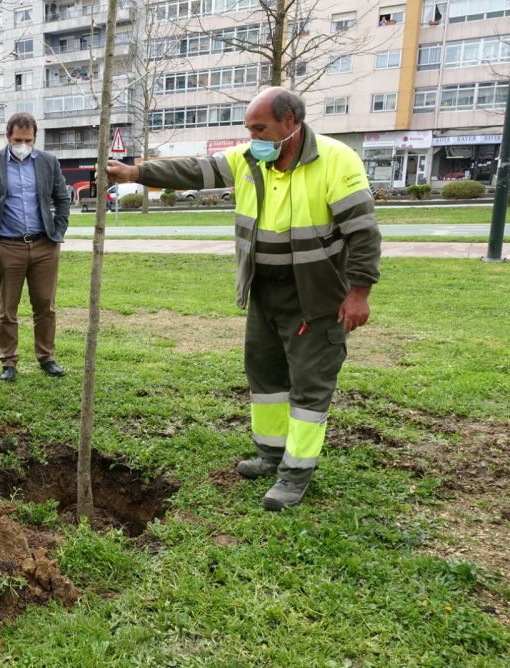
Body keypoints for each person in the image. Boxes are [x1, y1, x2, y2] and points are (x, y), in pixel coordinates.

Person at [106, 87, 382, 511]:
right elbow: (194, 170)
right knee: (265, 375)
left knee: (310, 384)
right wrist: (135, 173)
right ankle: (271, 455)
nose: (251, 136)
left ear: (290, 123)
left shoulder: (336, 159)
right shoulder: (250, 158)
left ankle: (295, 474)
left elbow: (363, 232)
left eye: (259, 128)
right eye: (249, 128)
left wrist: (359, 293)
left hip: (315, 296)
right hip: (264, 290)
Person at [0, 112, 71, 382]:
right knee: (7, 309)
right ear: (8, 136)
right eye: (18, 139)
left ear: (35, 138)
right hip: (8, 246)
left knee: (45, 305)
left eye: (28, 140)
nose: (23, 144)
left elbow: (62, 199)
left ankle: (47, 357)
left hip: (44, 246)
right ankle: (8, 362)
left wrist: (58, 231)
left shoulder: (48, 163)